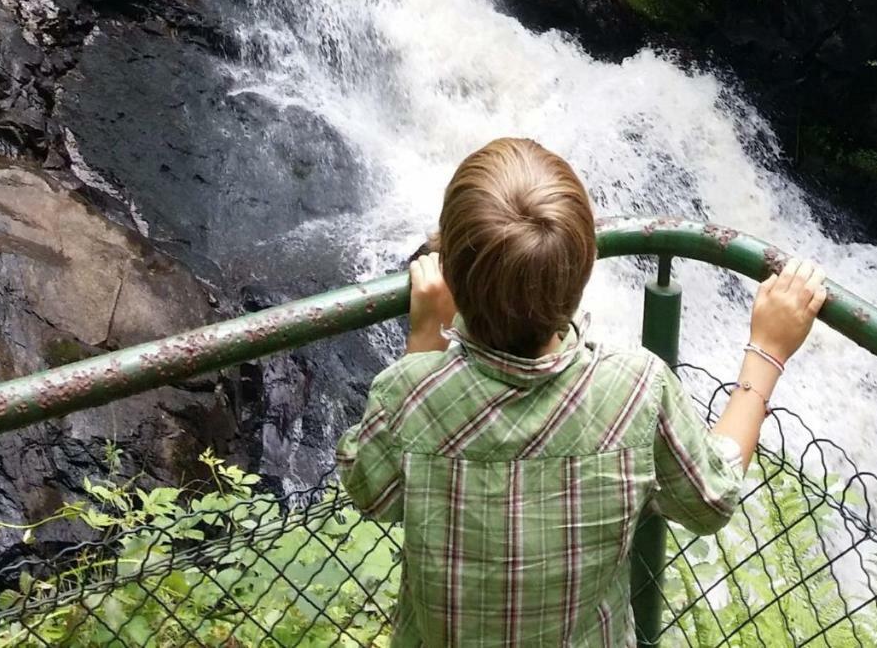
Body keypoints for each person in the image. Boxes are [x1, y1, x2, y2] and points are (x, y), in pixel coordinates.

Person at [337, 137, 827, 647]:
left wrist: (424, 345)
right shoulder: (637, 388)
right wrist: (767, 351)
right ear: (586, 267)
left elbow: (372, 492)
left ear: (453, 278)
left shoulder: (408, 394)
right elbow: (713, 498)